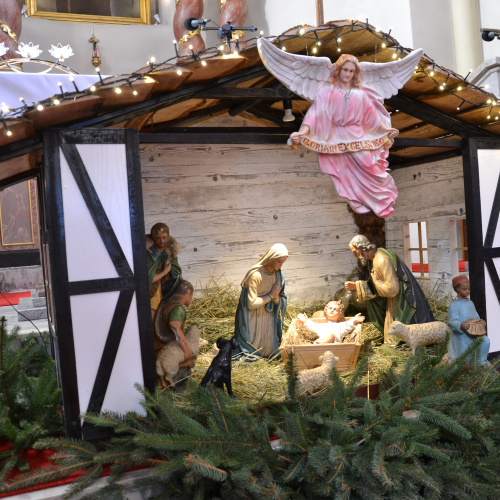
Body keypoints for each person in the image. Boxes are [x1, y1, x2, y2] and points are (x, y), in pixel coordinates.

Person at [290, 54, 399, 218]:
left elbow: (372, 119)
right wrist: (302, 132)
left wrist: (386, 130)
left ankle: (382, 200)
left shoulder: (360, 94)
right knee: (346, 174)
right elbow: (314, 116)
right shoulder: (327, 93)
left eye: (351, 71)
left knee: (370, 167)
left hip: (358, 137)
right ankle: (360, 200)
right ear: (338, 70)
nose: (348, 74)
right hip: (339, 138)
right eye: (345, 70)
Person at [344, 235, 435, 345]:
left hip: (401, 301)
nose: (355, 256)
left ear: (362, 248)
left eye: (355, 252)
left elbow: (392, 289)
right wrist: (358, 285)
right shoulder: (375, 257)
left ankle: (402, 346)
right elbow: (376, 282)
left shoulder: (382, 260)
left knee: (396, 336)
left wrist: (376, 283)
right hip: (395, 299)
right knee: (391, 334)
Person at [232, 244, 288, 360]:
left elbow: (279, 301)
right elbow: (251, 304)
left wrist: (275, 297)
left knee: (270, 352)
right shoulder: (255, 275)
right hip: (253, 317)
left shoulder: (278, 275)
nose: (280, 265)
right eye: (279, 262)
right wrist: (270, 295)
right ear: (271, 258)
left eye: (282, 262)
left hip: (269, 317)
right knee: (254, 351)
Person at [154, 279, 196, 375]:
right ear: (188, 292)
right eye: (191, 295)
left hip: (159, 345)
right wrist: (186, 349)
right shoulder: (178, 309)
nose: (191, 298)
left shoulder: (165, 304)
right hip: (167, 347)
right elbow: (175, 328)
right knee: (189, 360)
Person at [447, 275, 490, 365]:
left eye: (468, 289)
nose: (467, 291)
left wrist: (480, 322)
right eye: (464, 289)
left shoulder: (470, 303)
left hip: (474, 333)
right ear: (456, 289)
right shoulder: (454, 305)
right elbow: (451, 322)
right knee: (465, 351)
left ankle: (481, 362)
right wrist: (460, 325)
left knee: (485, 341)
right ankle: (465, 366)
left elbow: (476, 317)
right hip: (461, 336)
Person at [146, 222, 182, 319]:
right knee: (154, 313)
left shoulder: (170, 251)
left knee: (167, 312)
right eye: (158, 238)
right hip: (153, 291)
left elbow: (176, 271)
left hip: (167, 289)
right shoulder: (149, 253)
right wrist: (165, 271)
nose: (161, 241)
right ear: (153, 237)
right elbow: (147, 279)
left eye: (164, 237)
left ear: (168, 236)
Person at [296, 301, 364, 344]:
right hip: (319, 345)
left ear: (340, 314)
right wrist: (304, 320)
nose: (332, 310)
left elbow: (348, 324)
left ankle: (323, 343)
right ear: (326, 311)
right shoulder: (322, 325)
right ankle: (321, 344)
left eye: (335, 309)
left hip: (334, 346)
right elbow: (312, 326)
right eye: (330, 308)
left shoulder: (340, 325)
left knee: (331, 335)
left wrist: (354, 320)